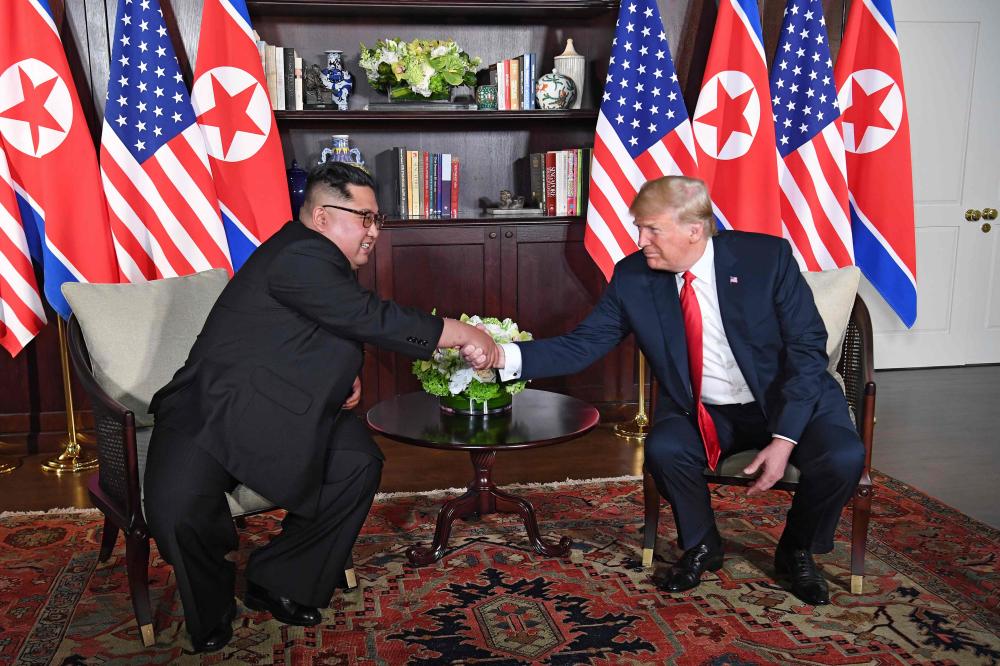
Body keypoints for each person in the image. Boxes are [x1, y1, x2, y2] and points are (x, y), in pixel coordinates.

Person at [144, 162, 498, 652]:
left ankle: (279, 578)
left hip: (286, 407)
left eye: (378, 220)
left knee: (358, 463)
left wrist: (340, 376)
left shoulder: (318, 261)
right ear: (321, 216)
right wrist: (463, 333)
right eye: (365, 218)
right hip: (213, 409)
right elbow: (364, 317)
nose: (374, 231)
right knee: (178, 509)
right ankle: (212, 607)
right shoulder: (302, 252)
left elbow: (316, 328)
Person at [472, 176, 864, 606]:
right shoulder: (633, 277)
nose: (640, 241)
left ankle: (797, 547)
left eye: (651, 229)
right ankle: (701, 544)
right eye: (639, 228)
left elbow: (808, 352)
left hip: (786, 397)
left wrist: (785, 437)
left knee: (843, 457)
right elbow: (583, 344)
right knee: (665, 447)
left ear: (694, 229)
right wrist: (500, 357)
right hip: (704, 407)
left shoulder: (765, 258)